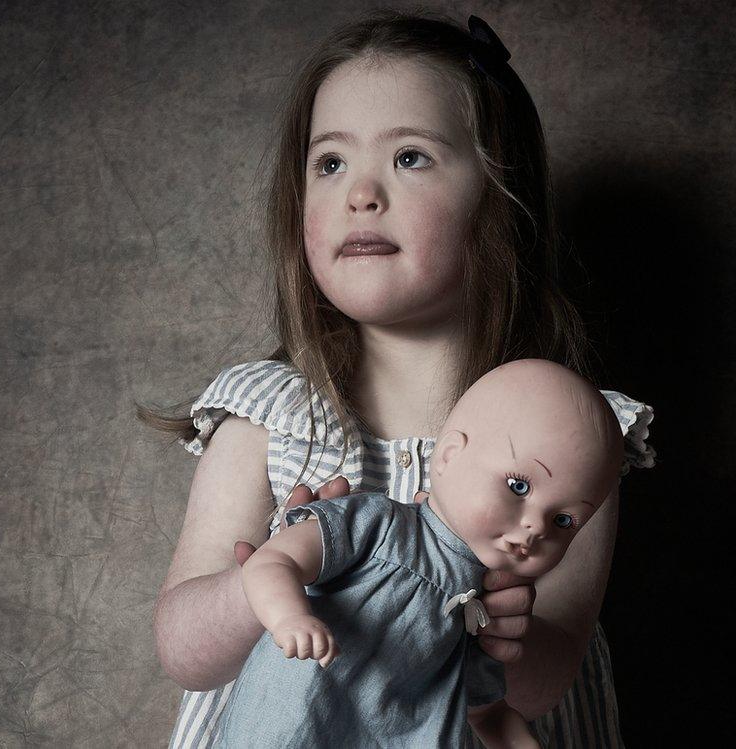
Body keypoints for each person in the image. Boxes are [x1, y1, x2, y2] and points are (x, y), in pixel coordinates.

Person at [141, 10, 656, 748]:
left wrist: (510, 631)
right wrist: (271, 580)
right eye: (330, 163)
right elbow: (183, 652)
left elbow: (550, 678)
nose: (361, 193)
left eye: (410, 157)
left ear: (498, 198)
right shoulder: (267, 416)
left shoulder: (574, 441)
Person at [220, 360, 626, 748]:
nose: (537, 526)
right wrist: (288, 617)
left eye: (563, 521)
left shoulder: (476, 614)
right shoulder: (377, 523)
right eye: (519, 486)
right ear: (449, 456)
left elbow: (487, 712)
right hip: (294, 725)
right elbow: (273, 562)